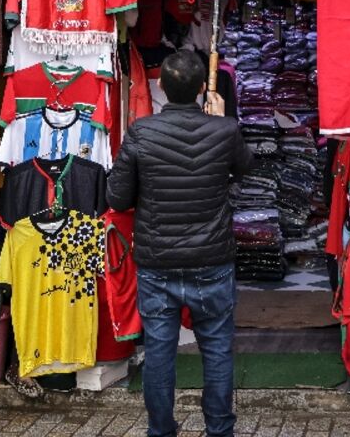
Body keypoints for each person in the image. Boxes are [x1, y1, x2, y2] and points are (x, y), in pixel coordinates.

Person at [107, 50, 251, 437]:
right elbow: (244, 169)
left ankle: (161, 431)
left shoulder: (141, 131)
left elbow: (117, 198)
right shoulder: (225, 130)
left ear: (162, 88)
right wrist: (221, 122)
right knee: (217, 350)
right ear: (203, 88)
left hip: (157, 263)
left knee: (159, 354)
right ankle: (220, 430)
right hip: (212, 259)